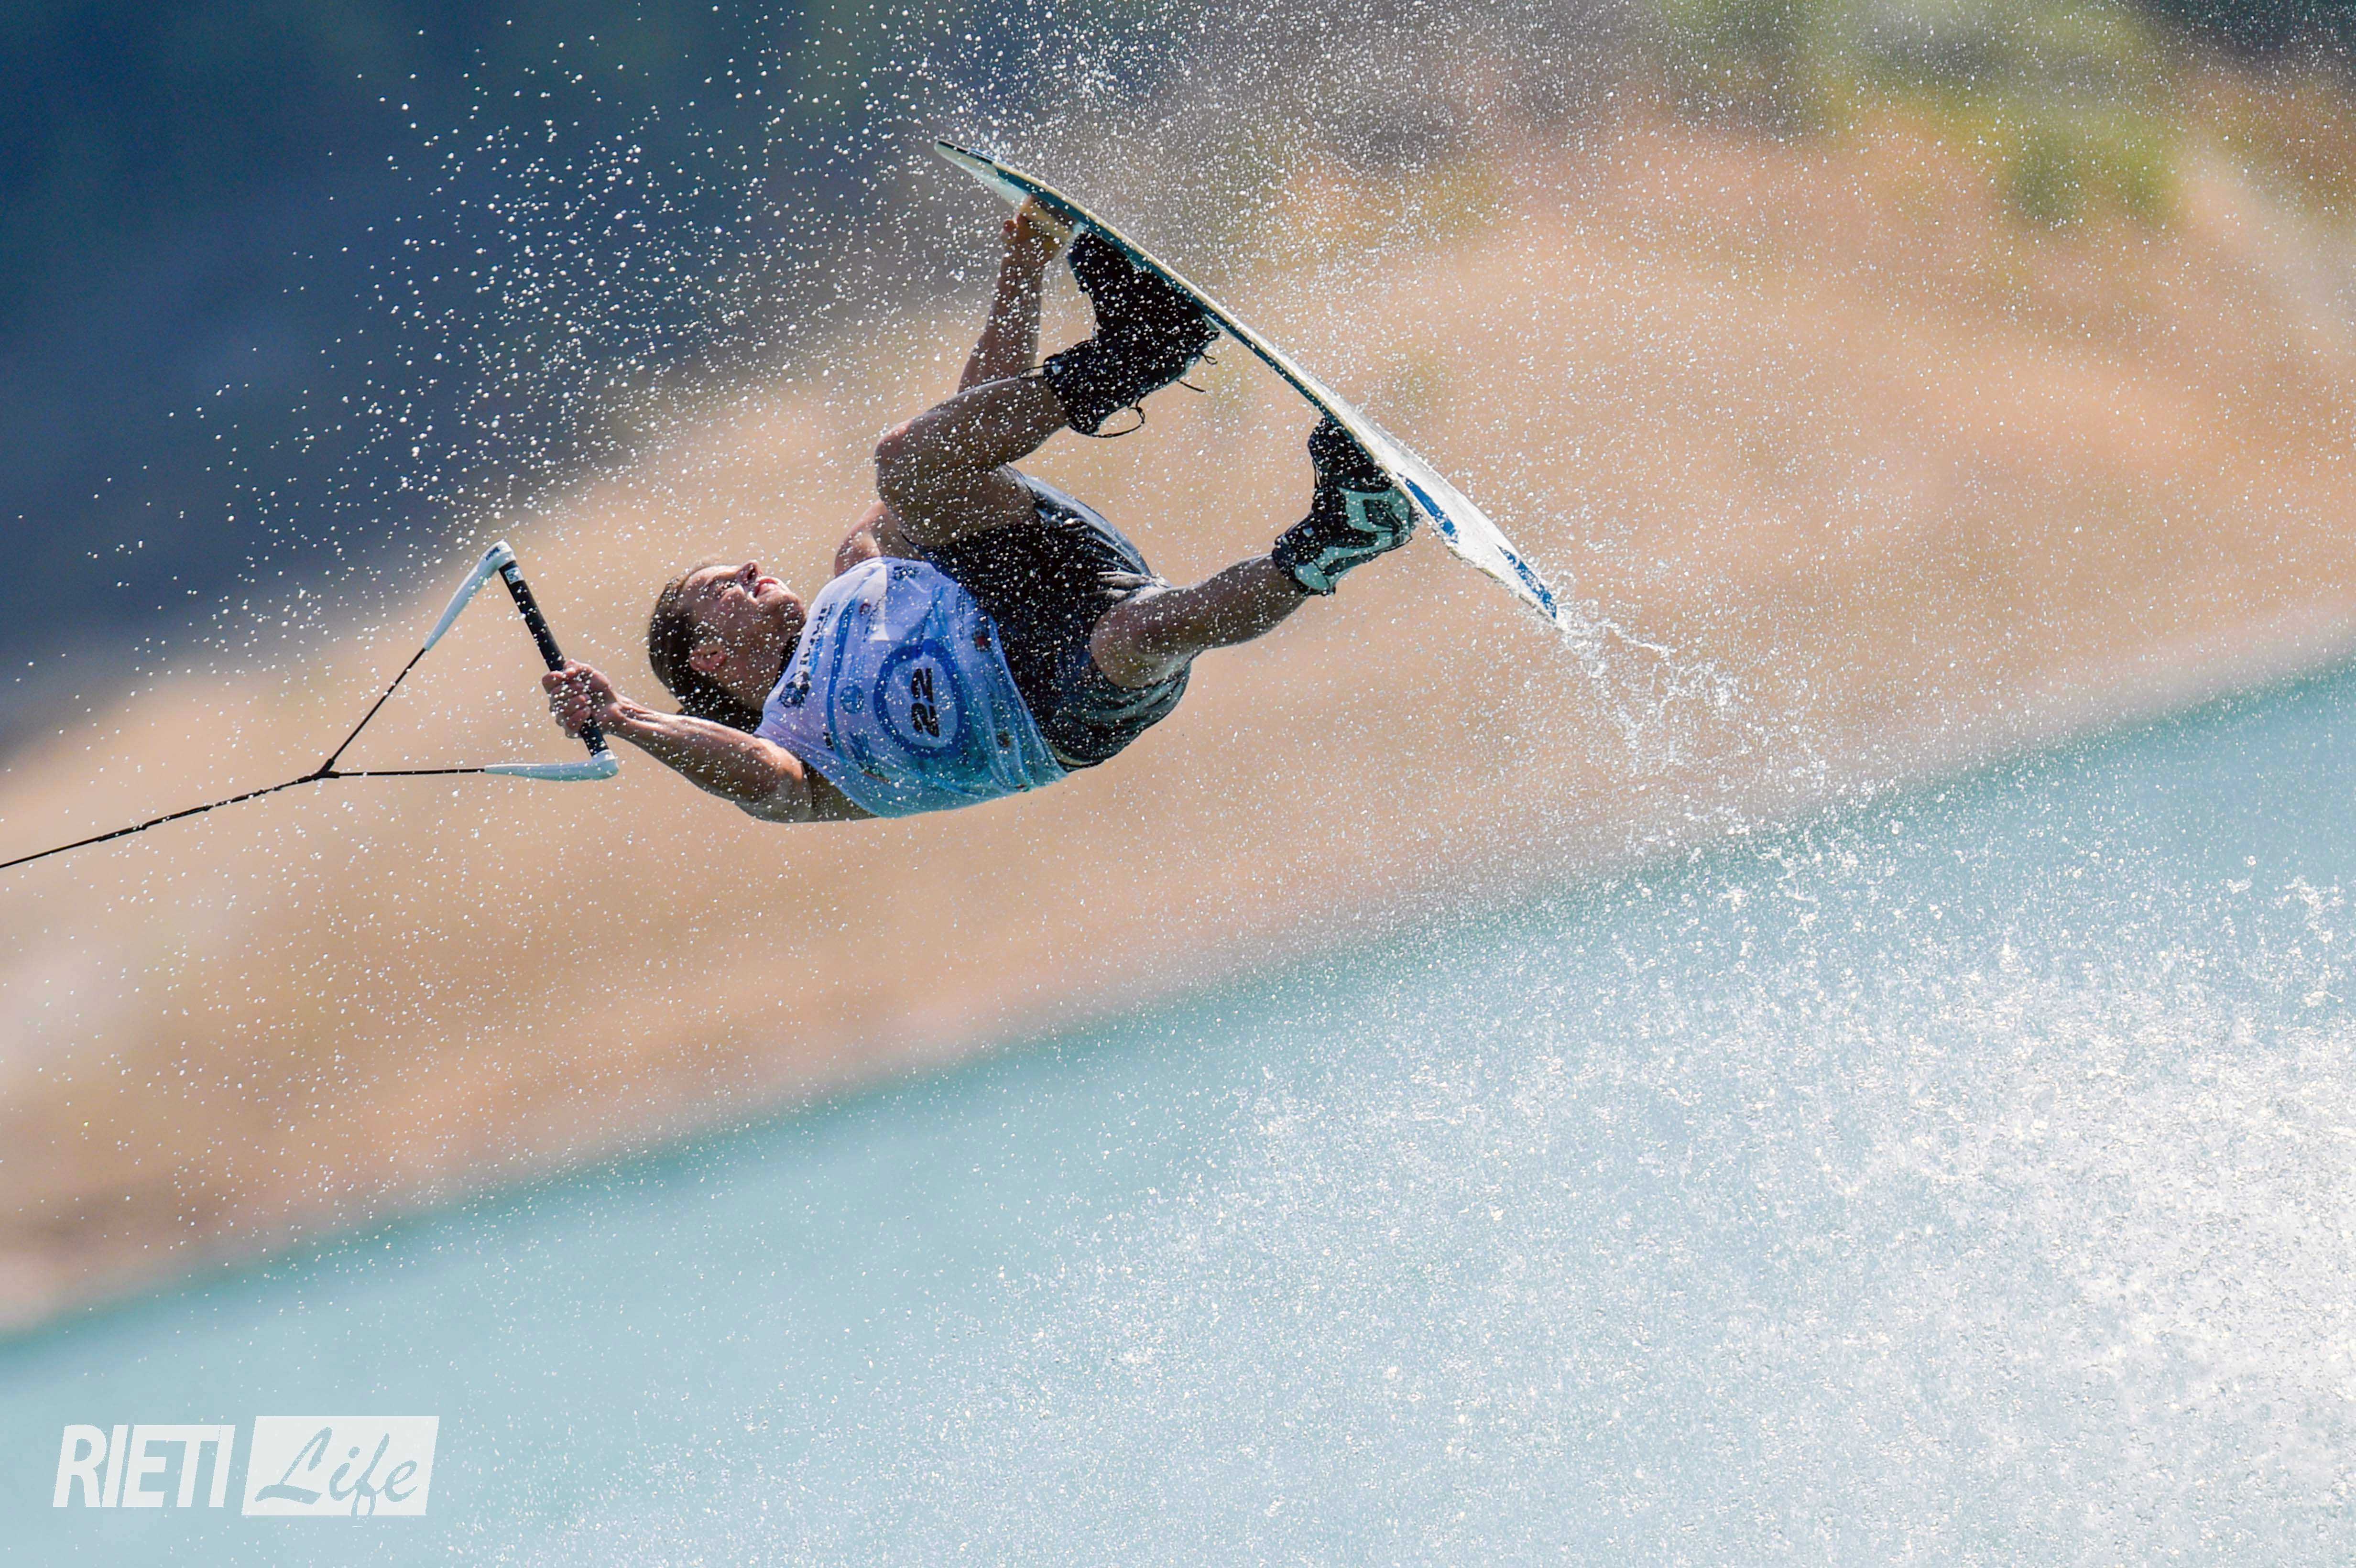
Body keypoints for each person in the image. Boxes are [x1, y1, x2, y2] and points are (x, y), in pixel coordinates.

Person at [541, 199, 1415, 824]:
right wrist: (623, 719)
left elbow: (961, 435)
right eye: (719, 589)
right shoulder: (792, 750)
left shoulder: (857, 570)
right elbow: (762, 781)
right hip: (1055, 707)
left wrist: (1024, 261)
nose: (746, 568)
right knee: (1139, 634)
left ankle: (1139, 349)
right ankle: (1346, 530)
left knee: (906, 465)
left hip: (1036, 572)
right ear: (709, 656)